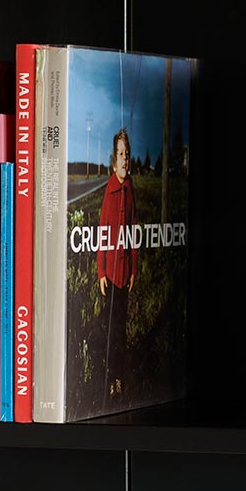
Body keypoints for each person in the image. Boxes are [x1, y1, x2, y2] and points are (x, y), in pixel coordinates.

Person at [97, 127, 137, 405]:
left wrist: (134, 269)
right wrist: (101, 272)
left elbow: (133, 233)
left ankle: (119, 376)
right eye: (120, 154)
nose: (124, 159)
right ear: (113, 161)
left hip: (124, 275)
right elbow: (101, 234)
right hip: (110, 274)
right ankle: (108, 376)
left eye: (127, 154)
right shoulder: (110, 191)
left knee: (121, 327)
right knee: (110, 327)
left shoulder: (130, 190)